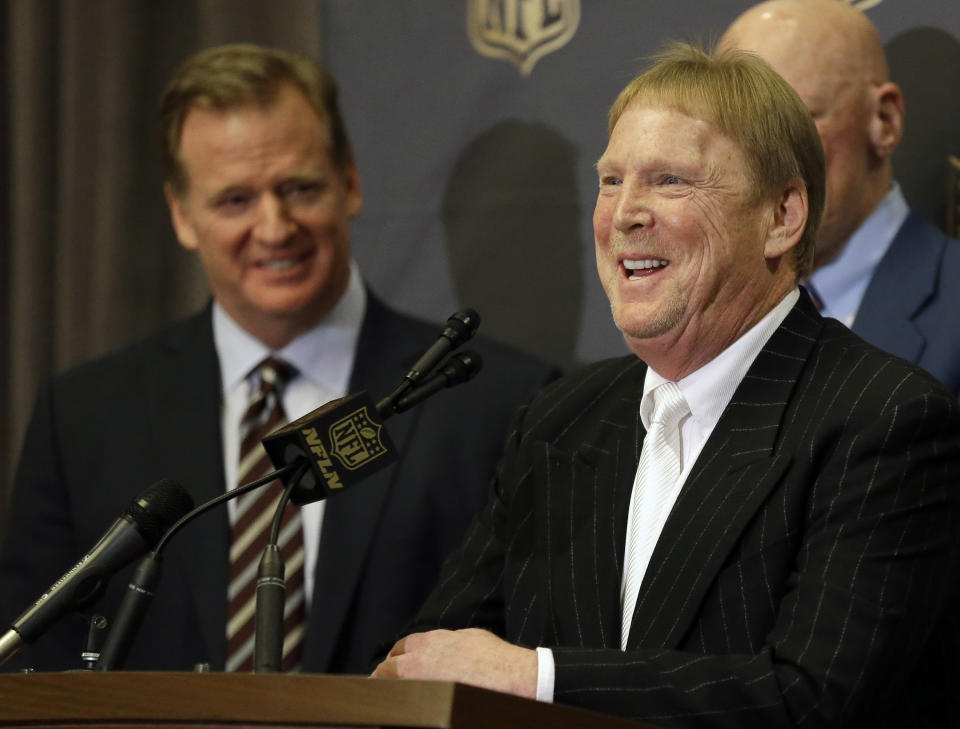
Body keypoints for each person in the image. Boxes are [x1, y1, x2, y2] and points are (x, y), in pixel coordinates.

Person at [372, 43, 960, 728]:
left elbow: (810, 697)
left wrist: (535, 676)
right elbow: (431, 662)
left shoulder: (884, 419)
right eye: (611, 180)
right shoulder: (560, 420)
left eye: (670, 181)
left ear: (781, 216)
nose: (624, 213)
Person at [0, 44, 556, 674]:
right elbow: (35, 672)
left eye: (299, 187)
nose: (274, 227)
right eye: (235, 200)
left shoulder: (494, 400)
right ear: (182, 215)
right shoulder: (82, 418)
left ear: (349, 182)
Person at [719, 0, 960, 396]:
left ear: (884, 121)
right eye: (730, 134)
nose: (753, 163)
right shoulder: (702, 327)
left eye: (792, 123)